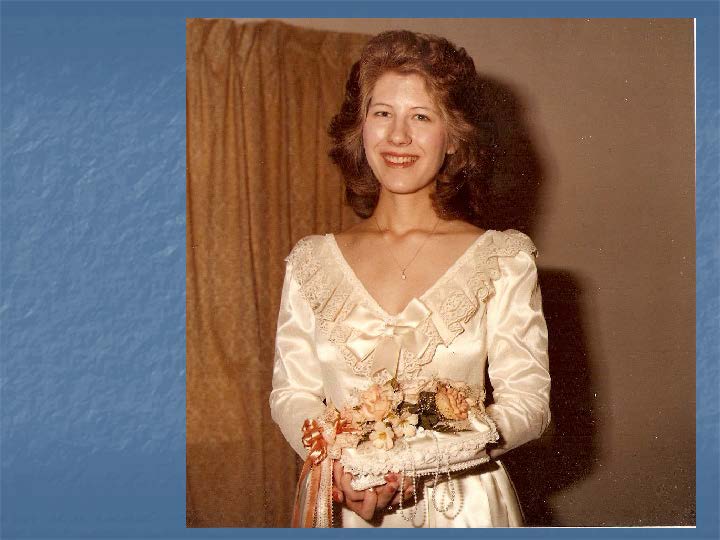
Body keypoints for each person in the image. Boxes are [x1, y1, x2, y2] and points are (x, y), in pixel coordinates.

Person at [269, 30, 550, 528]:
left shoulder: (503, 259)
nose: (398, 136)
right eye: (383, 113)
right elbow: (292, 395)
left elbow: (528, 406)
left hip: (462, 508)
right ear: (360, 129)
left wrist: (416, 463)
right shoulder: (311, 261)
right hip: (345, 504)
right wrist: (337, 466)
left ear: (454, 136)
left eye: (421, 116)